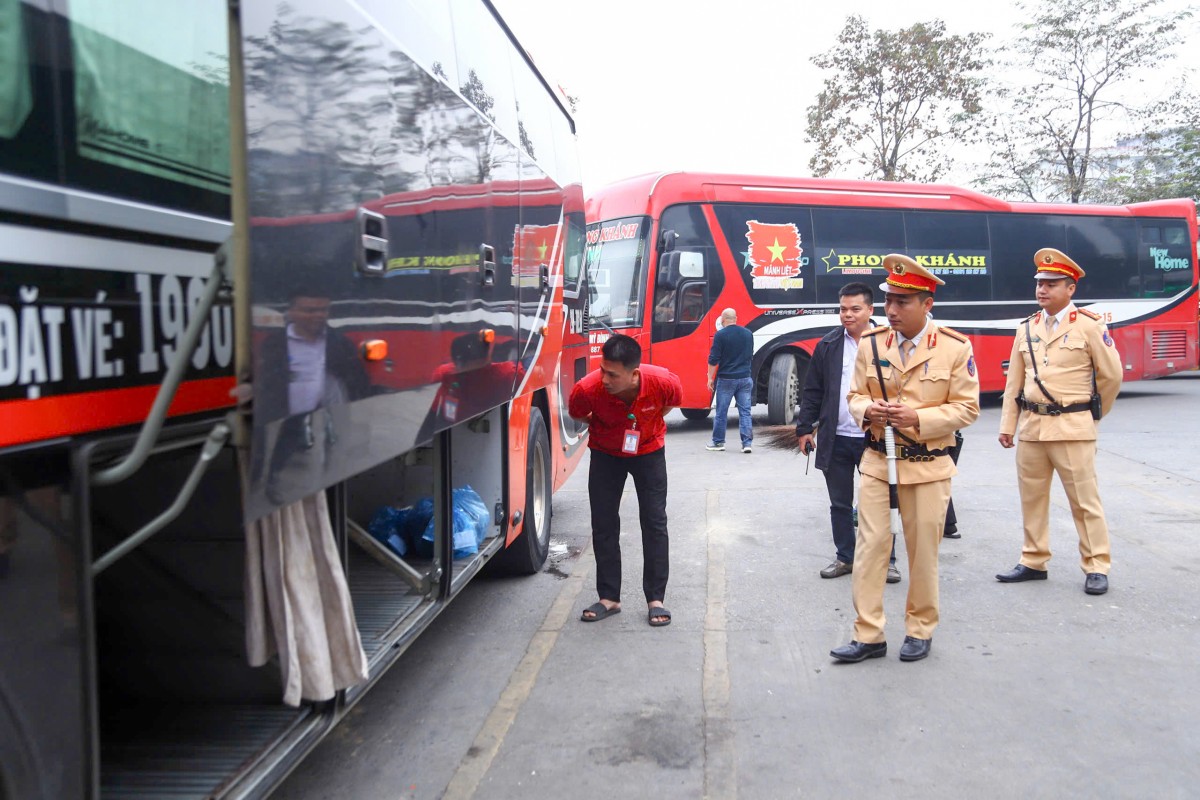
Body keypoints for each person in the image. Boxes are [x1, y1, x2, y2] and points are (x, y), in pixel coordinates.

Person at [830, 255, 980, 664]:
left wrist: (920, 418)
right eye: (889, 300)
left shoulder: (953, 347)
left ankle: (919, 628)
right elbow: (854, 395)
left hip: (929, 465)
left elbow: (967, 408)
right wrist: (867, 411)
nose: (892, 310)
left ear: (927, 304)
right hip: (879, 462)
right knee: (870, 549)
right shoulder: (872, 343)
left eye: (903, 302)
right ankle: (869, 634)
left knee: (922, 551)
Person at [996, 248, 1123, 595]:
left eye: (1052, 284)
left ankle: (1096, 564)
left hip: (1072, 427)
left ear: (1071, 289)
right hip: (1033, 428)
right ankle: (1034, 559)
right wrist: (1008, 424)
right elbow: (1015, 383)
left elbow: (1111, 377)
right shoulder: (1027, 328)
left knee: (1084, 501)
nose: (1043, 290)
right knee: (1032, 498)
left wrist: (1090, 415)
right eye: (1040, 283)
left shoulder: (1089, 326)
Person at [569, 334, 682, 627]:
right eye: (603, 370)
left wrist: (645, 422)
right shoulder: (587, 389)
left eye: (612, 374)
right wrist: (610, 425)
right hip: (606, 453)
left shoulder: (663, 382)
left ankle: (655, 599)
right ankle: (609, 598)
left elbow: (669, 404)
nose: (604, 378)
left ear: (634, 374)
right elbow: (579, 414)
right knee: (604, 523)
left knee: (655, 521)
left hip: (649, 451)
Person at [795, 282, 901, 584]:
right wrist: (805, 428)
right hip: (836, 437)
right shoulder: (828, 346)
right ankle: (845, 557)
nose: (847, 315)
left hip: (877, 438)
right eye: (843, 309)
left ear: (870, 310)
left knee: (880, 505)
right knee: (839, 504)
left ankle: (888, 561)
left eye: (855, 309)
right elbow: (813, 390)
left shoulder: (891, 343)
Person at [706, 308, 755, 453]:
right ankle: (747, 444)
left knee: (721, 412)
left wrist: (710, 378)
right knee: (745, 412)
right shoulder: (748, 334)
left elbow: (714, 359)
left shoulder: (720, 335)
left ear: (722, 320)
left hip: (726, 379)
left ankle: (718, 442)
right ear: (736, 318)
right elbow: (750, 354)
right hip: (745, 378)